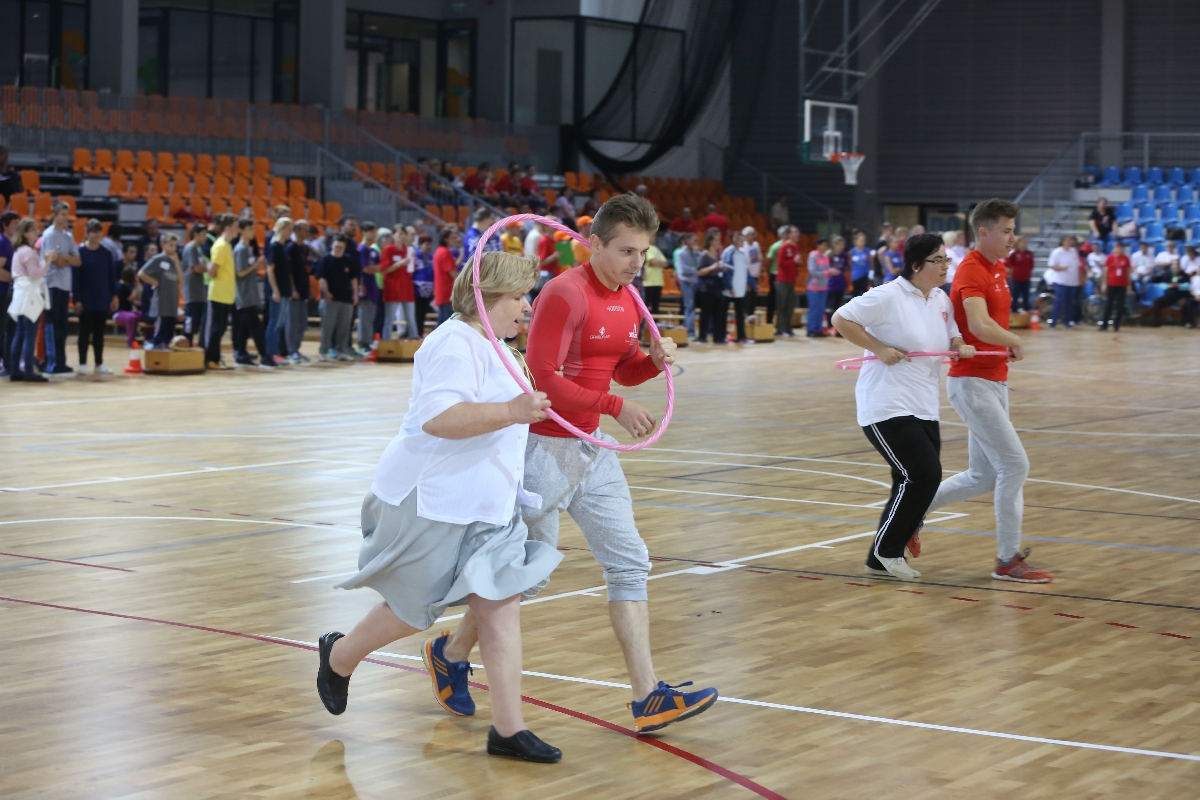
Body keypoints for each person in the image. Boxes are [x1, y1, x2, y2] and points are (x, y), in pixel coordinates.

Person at [433, 193, 718, 735]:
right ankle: (450, 650)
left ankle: (647, 697)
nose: (637, 263)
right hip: (542, 448)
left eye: (644, 252)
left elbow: (617, 368)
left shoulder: (629, 298)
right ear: (594, 244)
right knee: (527, 578)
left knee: (630, 561)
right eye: (627, 251)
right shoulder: (564, 294)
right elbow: (544, 381)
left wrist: (651, 363)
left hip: (591, 450)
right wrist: (615, 405)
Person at [318, 251, 564, 764]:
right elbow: (440, 419)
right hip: (432, 499)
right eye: (519, 296)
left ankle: (508, 729)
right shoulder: (453, 342)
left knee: (500, 604)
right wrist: (513, 411)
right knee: (413, 610)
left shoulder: (503, 347)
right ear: (485, 297)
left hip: (490, 505)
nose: (527, 305)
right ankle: (339, 656)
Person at [924, 199, 1054, 583]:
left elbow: (984, 327)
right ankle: (1007, 560)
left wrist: (1003, 346)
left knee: (982, 476)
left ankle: (912, 511)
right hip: (972, 383)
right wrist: (1013, 338)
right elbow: (979, 325)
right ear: (985, 232)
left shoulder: (997, 268)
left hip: (994, 382)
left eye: (1014, 230)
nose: (1014, 237)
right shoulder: (970, 271)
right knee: (1014, 465)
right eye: (1007, 230)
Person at [832, 234, 973, 579]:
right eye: (937, 260)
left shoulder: (941, 298)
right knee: (926, 474)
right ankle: (888, 549)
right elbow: (841, 319)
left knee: (907, 479)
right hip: (885, 404)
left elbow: (952, 333)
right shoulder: (887, 295)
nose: (945, 266)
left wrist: (959, 343)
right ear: (916, 265)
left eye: (945, 260)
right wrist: (879, 348)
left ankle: (879, 559)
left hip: (924, 404)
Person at [71, 219, 120, 375]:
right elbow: (76, 278)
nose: (96, 234)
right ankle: (82, 363)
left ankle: (99, 363)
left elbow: (111, 277)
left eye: (99, 231)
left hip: (102, 296)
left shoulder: (106, 253)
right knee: (85, 331)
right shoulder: (80, 252)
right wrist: (76, 299)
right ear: (87, 233)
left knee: (99, 332)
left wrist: (114, 296)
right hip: (86, 297)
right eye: (93, 231)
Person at [7, 218, 49, 382]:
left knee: (20, 333)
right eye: (32, 230)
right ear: (24, 233)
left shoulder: (19, 251)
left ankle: (15, 368)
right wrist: (47, 262)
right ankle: (29, 370)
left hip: (20, 293)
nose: (36, 232)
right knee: (30, 333)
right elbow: (35, 274)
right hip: (29, 293)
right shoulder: (28, 252)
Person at [42, 201, 80, 374]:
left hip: (65, 284)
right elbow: (56, 262)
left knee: (62, 325)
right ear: (55, 215)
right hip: (51, 283)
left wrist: (65, 258)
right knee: (52, 323)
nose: (66, 218)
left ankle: (61, 361)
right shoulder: (49, 235)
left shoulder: (68, 236)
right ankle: (52, 362)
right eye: (63, 214)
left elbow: (77, 261)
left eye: (67, 214)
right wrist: (66, 259)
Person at [231, 220, 272, 367]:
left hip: (249, 293)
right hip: (244, 294)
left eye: (252, 228)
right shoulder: (240, 249)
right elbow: (240, 272)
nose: (252, 231)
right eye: (249, 229)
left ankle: (241, 353)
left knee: (244, 326)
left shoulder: (248, 248)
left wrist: (255, 267)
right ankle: (265, 355)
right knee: (256, 326)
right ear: (241, 230)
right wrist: (254, 266)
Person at [137, 231, 185, 351]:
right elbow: (141, 273)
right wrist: (154, 282)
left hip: (173, 301)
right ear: (163, 245)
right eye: (170, 245)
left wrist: (177, 264)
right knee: (161, 328)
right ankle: (156, 349)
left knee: (170, 329)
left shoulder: (174, 261)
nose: (173, 248)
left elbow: (181, 279)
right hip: (162, 300)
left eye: (175, 245)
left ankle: (167, 350)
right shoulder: (157, 259)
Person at [316, 234, 360, 361]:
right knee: (328, 327)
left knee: (344, 327)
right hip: (331, 299)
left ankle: (343, 351)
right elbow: (322, 278)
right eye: (336, 246)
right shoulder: (326, 260)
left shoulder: (348, 260)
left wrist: (355, 294)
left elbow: (353, 279)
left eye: (341, 247)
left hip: (346, 298)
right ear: (332, 245)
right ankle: (323, 351)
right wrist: (326, 292)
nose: (338, 249)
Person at [205, 216, 238, 370]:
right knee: (217, 328)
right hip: (218, 293)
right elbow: (212, 270)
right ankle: (210, 359)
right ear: (227, 228)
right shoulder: (221, 246)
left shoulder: (227, 245)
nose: (238, 229)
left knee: (221, 327)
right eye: (236, 226)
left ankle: (216, 358)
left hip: (226, 293)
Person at [265, 217, 294, 365]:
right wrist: (275, 290)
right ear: (282, 229)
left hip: (284, 290)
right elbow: (270, 269)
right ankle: (271, 353)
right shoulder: (275, 246)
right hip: (278, 291)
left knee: (280, 322)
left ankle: (276, 352)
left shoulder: (282, 247)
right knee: (275, 322)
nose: (291, 232)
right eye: (289, 229)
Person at [381, 227, 418, 340]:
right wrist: (399, 264)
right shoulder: (388, 249)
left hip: (406, 288)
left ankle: (414, 340)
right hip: (392, 288)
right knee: (389, 319)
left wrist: (413, 261)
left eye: (404, 234)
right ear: (393, 235)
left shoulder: (409, 250)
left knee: (411, 318)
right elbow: (384, 269)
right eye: (399, 234)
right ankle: (386, 342)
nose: (402, 236)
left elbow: (412, 271)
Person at [284, 221, 313, 363]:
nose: (307, 232)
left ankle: (297, 349)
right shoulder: (290, 248)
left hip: (304, 289)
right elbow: (288, 272)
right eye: (304, 230)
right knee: (292, 322)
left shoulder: (305, 248)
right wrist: (292, 289)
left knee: (302, 323)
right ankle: (291, 351)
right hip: (294, 292)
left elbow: (307, 270)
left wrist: (310, 288)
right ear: (296, 230)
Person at [695, 227, 728, 344]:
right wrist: (713, 267)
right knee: (706, 313)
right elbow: (699, 271)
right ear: (710, 241)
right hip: (706, 287)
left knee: (718, 313)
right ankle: (702, 336)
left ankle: (718, 337)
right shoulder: (704, 254)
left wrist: (721, 269)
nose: (719, 242)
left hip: (716, 286)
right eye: (717, 240)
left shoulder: (718, 255)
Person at [181, 223, 209, 347]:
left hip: (198, 291)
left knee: (196, 321)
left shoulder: (198, 249)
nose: (206, 237)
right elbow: (196, 268)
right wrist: (207, 268)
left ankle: (189, 345)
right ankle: (185, 344)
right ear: (196, 234)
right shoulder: (191, 248)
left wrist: (203, 268)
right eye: (203, 234)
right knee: (190, 321)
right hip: (192, 291)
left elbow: (199, 267)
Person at [356, 222, 382, 353]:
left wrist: (371, 269)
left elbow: (379, 267)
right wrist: (371, 269)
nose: (374, 235)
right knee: (364, 317)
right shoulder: (360, 249)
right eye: (371, 232)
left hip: (373, 286)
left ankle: (369, 341)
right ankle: (362, 343)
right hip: (364, 286)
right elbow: (364, 268)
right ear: (364, 232)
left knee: (371, 317)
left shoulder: (373, 250)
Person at [1047, 235, 1082, 328]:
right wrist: (1061, 268)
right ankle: (1053, 320)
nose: (1068, 243)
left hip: (1072, 282)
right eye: (1066, 241)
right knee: (1059, 301)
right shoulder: (1057, 252)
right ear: (1062, 242)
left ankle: (1067, 321)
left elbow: (1077, 266)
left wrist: (1080, 278)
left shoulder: (1073, 251)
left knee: (1069, 303)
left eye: (1070, 241)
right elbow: (1051, 265)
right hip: (1060, 281)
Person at [721, 229, 749, 343]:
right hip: (730, 290)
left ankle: (741, 336)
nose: (743, 242)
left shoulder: (742, 253)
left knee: (740, 314)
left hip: (740, 289)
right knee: (724, 313)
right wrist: (730, 287)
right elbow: (726, 272)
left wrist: (751, 284)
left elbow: (744, 271)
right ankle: (722, 336)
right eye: (741, 240)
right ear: (735, 240)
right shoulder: (728, 252)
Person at [805, 238, 834, 338]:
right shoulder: (813, 255)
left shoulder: (826, 257)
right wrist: (827, 273)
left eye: (826, 245)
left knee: (821, 310)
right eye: (823, 245)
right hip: (813, 287)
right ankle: (811, 329)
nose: (825, 247)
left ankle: (819, 329)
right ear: (818, 245)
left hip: (823, 287)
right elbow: (812, 272)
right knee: (814, 309)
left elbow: (826, 270)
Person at [0, 210, 18, 377]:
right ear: (5, 225)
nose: (17, 227)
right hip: (2, 292)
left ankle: (7, 361)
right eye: (14, 224)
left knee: (6, 328)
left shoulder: (10, 243)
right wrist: (15, 278)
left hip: (7, 292)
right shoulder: (2, 242)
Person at [673, 232, 700, 338]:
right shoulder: (680, 253)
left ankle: (692, 330)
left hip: (694, 282)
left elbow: (698, 263)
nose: (695, 243)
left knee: (693, 307)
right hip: (686, 282)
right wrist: (696, 271)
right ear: (687, 240)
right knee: (689, 307)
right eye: (694, 240)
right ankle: (690, 332)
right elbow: (683, 270)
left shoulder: (693, 252)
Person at [774, 226, 800, 337]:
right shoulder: (784, 247)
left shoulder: (796, 247)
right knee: (781, 306)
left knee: (790, 306)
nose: (797, 233)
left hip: (791, 280)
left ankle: (788, 329)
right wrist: (793, 261)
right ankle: (780, 329)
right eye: (795, 232)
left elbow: (795, 264)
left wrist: (797, 263)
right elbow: (780, 264)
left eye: (797, 231)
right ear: (789, 234)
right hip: (782, 280)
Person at [1099, 241, 1130, 332]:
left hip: (1122, 285)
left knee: (1120, 305)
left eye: (1121, 248)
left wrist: (1129, 285)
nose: (1119, 249)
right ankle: (1104, 325)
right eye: (1117, 247)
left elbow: (1128, 273)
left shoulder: (1126, 258)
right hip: (1111, 284)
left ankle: (1117, 325)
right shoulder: (1110, 258)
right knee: (1109, 305)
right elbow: (1105, 272)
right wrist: (1104, 284)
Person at [434, 226, 461, 327]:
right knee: (446, 322)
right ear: (446, 239)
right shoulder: (445, 252)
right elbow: (452, 272)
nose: (456, 239)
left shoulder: (439, 251)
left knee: (442, 320)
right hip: (446, 291)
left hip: (442, 291)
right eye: (453, 237)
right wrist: (465, 283)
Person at [413, 232, 435, 338]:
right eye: (426, 244)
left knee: (424, 314)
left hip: (429, 290)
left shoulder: (431, 257)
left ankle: (420, 334)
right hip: (417, 290)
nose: (428, 247)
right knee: (418, 313)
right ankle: (417, 333)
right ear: (420, 244)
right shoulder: (415, 255)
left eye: (430, 244)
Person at [114, 266, 142, 350]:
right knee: (132, 318)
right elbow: (131, 298)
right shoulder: (119, 286)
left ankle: (148, 337)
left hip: (129, 311)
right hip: (119, 313)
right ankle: (131, 341)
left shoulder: (128, 286)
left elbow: (137, 298)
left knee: (145, 315)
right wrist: (137, 284)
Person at [764, 225, 787, 323]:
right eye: (784, 233)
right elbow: (768, 260)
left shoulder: (790, 246)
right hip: (775, 275)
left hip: (785, 277)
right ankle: (769, 321)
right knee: (772, 300)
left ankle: (782, 324)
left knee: (784, 301)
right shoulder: (775, 246)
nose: (786, 235)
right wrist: (770, 273)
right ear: (780, 235)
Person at [1007, 236, 1035, 312]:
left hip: (1026, 280)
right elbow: (1009, 265)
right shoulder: (1014, 254)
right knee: (1015, 298)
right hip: (1015, 279)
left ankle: (1026, 315)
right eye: (1022, 242)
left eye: (1026, 242)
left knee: (1026, 298)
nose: (1024, 244)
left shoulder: (1030, 254)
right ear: (1018, 243)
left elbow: (1031, 266)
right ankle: (1014, 314)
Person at [642, 236, 667, 316]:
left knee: (656, 306)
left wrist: (656, 263)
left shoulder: (655, 248)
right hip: (648, 281)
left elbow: (666, 263)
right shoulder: (644, 247)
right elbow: (653, 262)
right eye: (652, 235)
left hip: (658, 281)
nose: (654, 237)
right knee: (645, 305)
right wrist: (658, 263)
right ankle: (643, 326)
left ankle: (655, 326)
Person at [825, 234, 848, 320]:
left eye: (843, 245)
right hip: (830, 284)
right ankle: (828, 324)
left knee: (838, 305)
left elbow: (845, 267)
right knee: (830, 305)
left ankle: (836, 326)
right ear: (834, 245)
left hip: (840, 283)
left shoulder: (844, 256)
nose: (842, 247)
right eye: (839, 245)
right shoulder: (828, 255)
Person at [741, 226, 762, 320]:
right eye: (751, 234)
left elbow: (758, 259)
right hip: (746, 278)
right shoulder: (743, 247)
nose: (753, 236)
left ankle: (751, 322)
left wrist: (759, 271)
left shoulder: (756, 244)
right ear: (745, 236)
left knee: (753, 302)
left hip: (755, 277)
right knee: (746, 302)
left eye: (754, 234)